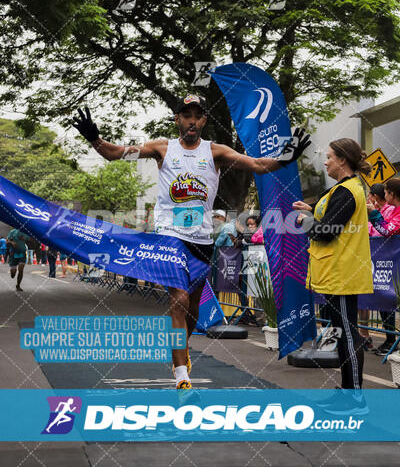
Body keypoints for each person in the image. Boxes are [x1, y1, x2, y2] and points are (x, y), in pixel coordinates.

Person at [73, 97, 310, 392]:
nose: (192, 121)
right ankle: (182, 375)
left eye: (198, 116)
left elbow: (259, 165)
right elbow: (116, 154)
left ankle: (179, 352)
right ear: (177, 120)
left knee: (193, 310)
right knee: (179, 300)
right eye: (187, 116)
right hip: (170, 236)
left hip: (200, 239)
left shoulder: (216, 152)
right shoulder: (161, 148)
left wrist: (287, 157)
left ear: (204, 122)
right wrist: (95, 139)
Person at [293, 138, 373, 413]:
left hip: (342, 274)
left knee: (349, 335)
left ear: (342, 160)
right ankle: (347, 392)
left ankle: (356, 399)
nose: (325, 161)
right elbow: (329, 219)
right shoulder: (342, 190)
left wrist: (305, 222)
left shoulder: (348, 190)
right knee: (342, 334)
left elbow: (326, 231)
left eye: (328, 157)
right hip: (334, 273)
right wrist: (311, 211)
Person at [367, 178, 400, 356]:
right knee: (384, 299)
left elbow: (387, 231)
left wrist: (373, 213)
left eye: (386, 192)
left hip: (395, 263)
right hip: (388, 264)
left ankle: (391, 340)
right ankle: (389, 340)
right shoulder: (393, 210)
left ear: (392, 194)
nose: (384, 195)